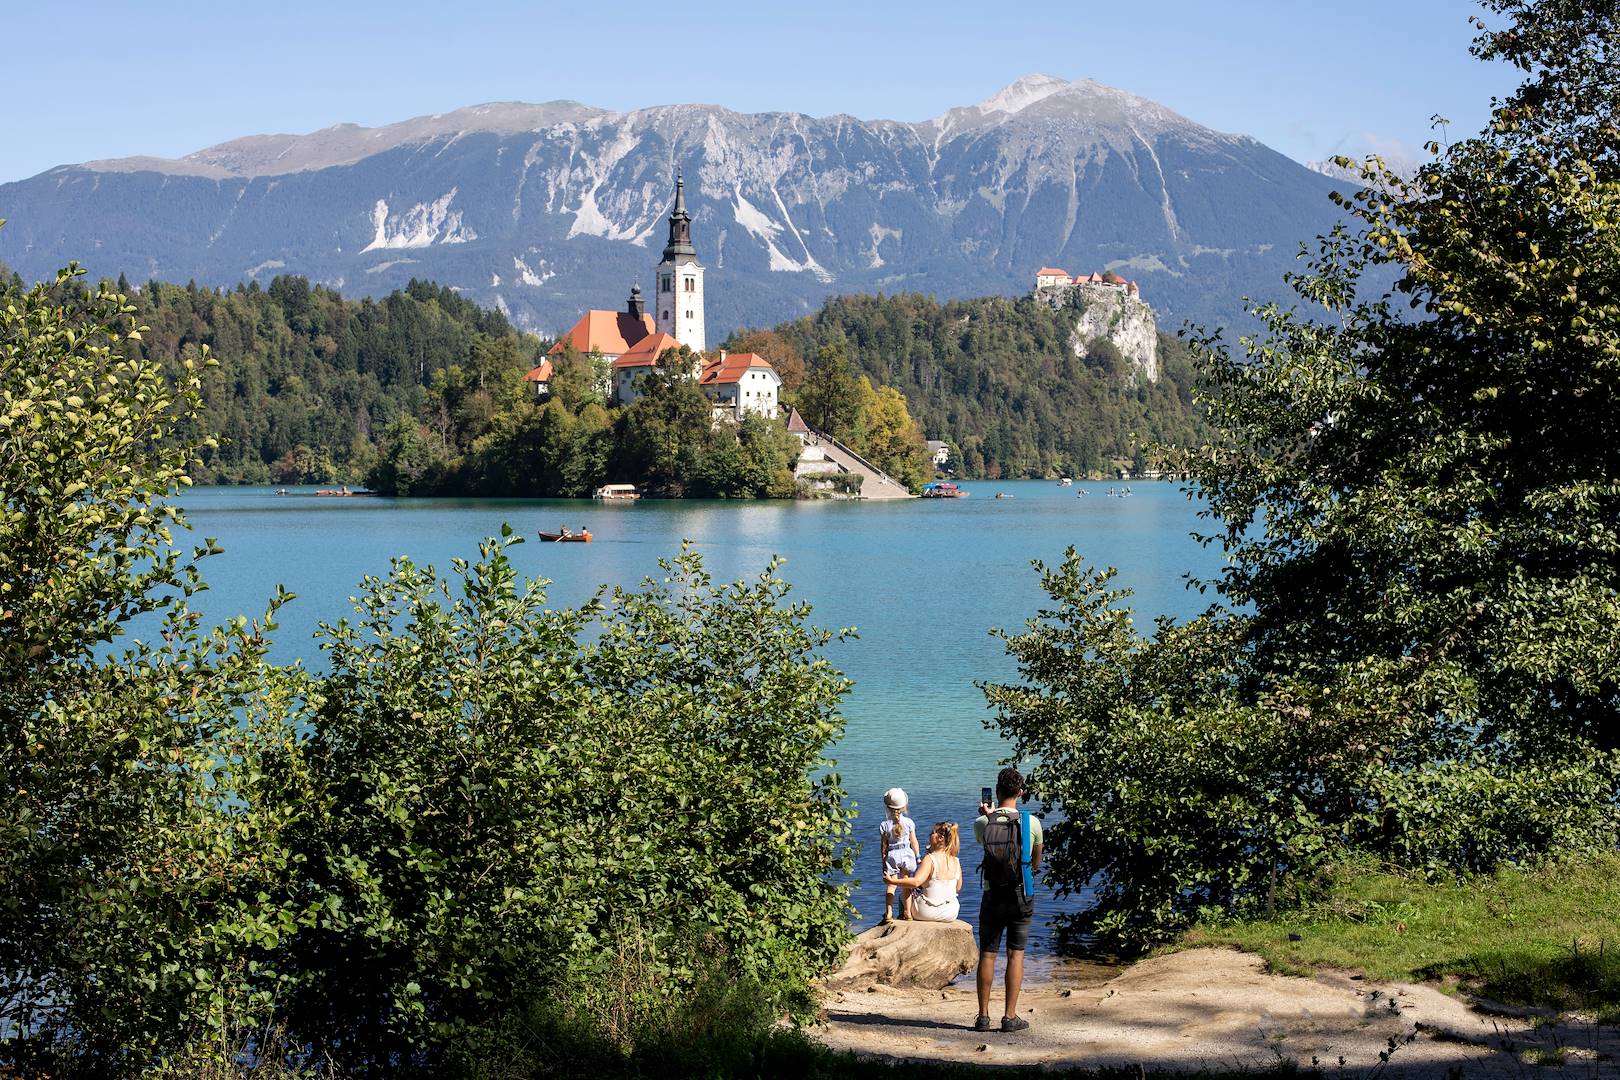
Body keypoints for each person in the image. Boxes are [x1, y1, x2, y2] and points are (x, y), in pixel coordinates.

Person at [972, 766, 1042, 1033]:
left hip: (992, 895)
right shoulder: (1032, 823)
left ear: (996, 791)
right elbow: (1035, 862)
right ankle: (1009, 1017)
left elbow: (985, 844)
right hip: (1020, 895)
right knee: (1016, 954)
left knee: (987, 954)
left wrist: (988, 816)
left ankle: (983, 1017)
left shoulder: (982, 823)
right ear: (1020, 793)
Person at [884, 821, 961, 922]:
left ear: (940, 838)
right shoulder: (956, 861)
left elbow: (916, 882)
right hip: (950, 913)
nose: (929, 835)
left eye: (932, 833)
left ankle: (906, 916)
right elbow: (958, 887)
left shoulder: (930, 859)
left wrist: (892, 881)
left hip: (927, 912)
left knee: (903, 896)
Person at [878, 787, 920, 923]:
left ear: (888, 808)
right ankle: (907, 912)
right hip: (907, 853)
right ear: (904, 806)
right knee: (905, 883)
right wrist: (918, 856)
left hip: (892, 855)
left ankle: (889, 913)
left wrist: (883, 860)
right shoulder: (909, 823)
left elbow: (883, 846)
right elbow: (914, 841)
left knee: (891, 885)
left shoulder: (884, 825)